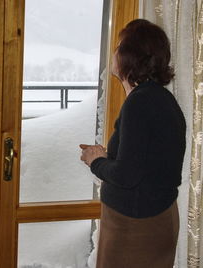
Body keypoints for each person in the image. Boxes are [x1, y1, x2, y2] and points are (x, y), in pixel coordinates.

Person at [80, 19, 186, 268]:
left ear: (130, 56)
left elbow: (127, 175)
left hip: (135, 226)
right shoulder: (159, 98)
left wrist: (96, 161)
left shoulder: (140, 104)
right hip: (153, 217)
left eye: (119, 46)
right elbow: (146, 164)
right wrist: (107, 157)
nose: (114, 53)